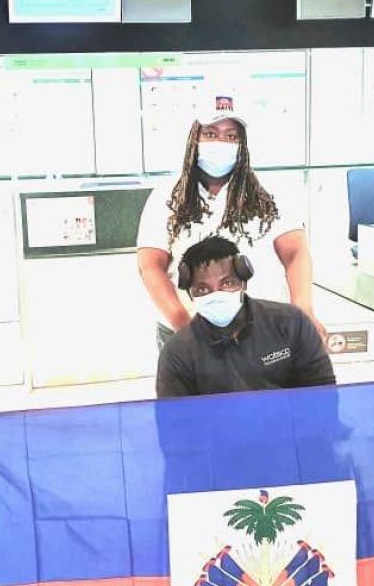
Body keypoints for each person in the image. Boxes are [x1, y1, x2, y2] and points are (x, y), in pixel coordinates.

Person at [137, 93, 325, 350]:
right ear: (195, 138)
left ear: (242, 144)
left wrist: (303, 309)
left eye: (231, 136)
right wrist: (186, 327)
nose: (221, 143)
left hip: (262, 331)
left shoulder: (273, 191)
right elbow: (150, 267)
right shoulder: (166, 196)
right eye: (211, 134)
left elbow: (295, 252)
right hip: (186, 333)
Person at [156, 236, 336, 398]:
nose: (216, 294)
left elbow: (323, 396)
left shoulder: (291, 323)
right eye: (202, 289)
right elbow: (174, 425)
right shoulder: (177, 353)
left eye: (227, 283)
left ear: (243, 281)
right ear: (190, 293)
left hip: (288, 432)